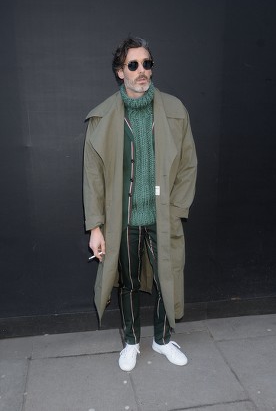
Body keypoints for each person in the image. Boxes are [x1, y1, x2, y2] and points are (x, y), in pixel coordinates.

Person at [83, 36, 197, 372]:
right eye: (133, 65)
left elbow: (189, 164)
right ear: (120, 72)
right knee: (129, 283)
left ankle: (162, 340)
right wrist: (96, 227)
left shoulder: (175, 111)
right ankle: (132, 341)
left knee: (167, 277)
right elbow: (93, 178)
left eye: (147, 63)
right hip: (124, 219)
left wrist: (176, 211)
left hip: (163, 216)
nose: (141, 70)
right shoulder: (103, 118)